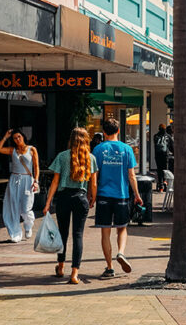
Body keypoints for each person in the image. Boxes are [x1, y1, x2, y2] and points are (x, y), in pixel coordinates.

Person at [43, 127, 97, 284]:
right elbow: (93, 183)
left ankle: (60, 267)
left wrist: (47, 203)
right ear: (86, 140)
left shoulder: (62, 156)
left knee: (63, 234)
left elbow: (55, 182)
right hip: (81, 198)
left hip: (64, 197)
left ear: (71, 140)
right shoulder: (91, 158)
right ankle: (74, 273)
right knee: (78, 235)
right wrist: (93, 198)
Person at [91, 118, 142, 280]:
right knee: (122, 228)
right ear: (118, 131)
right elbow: (132, 176)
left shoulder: (98, 150)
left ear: (104, 132)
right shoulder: (127, 149)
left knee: (105, 232)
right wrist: (137, 195)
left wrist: (92, 196)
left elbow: (94, 177)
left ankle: (110, 266)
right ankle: (121, 252)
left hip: (103, 195)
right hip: (122, 195)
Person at [0, 129, 40, 243]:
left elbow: (36, 167)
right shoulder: (13, 150)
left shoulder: (32, 149)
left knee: (26, 208)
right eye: (15, 138)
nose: (17, 139)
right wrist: (5, 136)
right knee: (13, 207)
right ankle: (15, 234)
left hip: (27, 180)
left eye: (19, 136)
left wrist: (36, 181)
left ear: (23, 136)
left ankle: (28, 225)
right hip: (14, 180)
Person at [153, 124, 171, 191]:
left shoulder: (155, 136)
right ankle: (165, 182)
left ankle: (160, 185)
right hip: (165, 155)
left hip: (157, 155)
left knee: (159, 170)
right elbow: (172, 145)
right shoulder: (168, 136)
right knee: (165, 170)